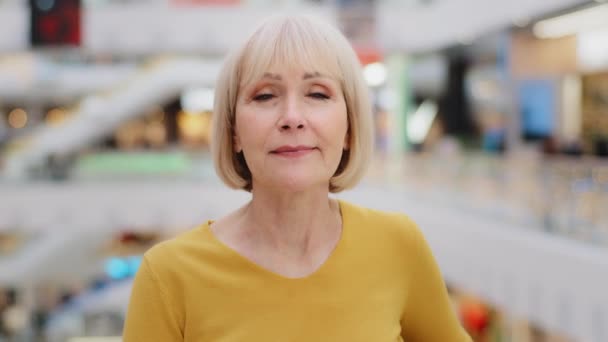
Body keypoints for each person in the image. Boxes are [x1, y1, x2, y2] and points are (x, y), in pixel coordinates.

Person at [123, 15, 471, 341]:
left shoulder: (398, 245)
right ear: (233, 133)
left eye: (318, 94)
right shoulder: (168, 276)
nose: (292, 117)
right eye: (265, 95)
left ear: (350, 127)